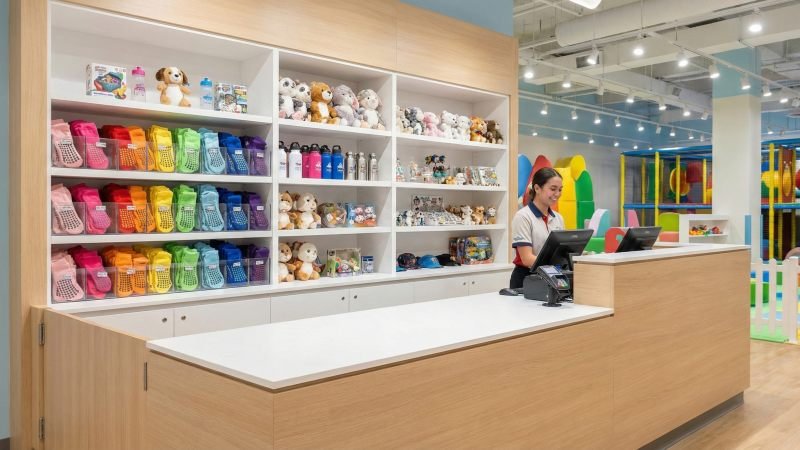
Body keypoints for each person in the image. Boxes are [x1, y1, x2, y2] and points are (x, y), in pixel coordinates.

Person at [510, 167, 566, 289]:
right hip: (526, 278)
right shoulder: (523, 216)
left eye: (560, 190)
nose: (557, 194)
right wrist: (557, 265)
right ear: (537, 188)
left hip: (552, 275)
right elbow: (527, 259)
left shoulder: (558, 218)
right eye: (553, 189)